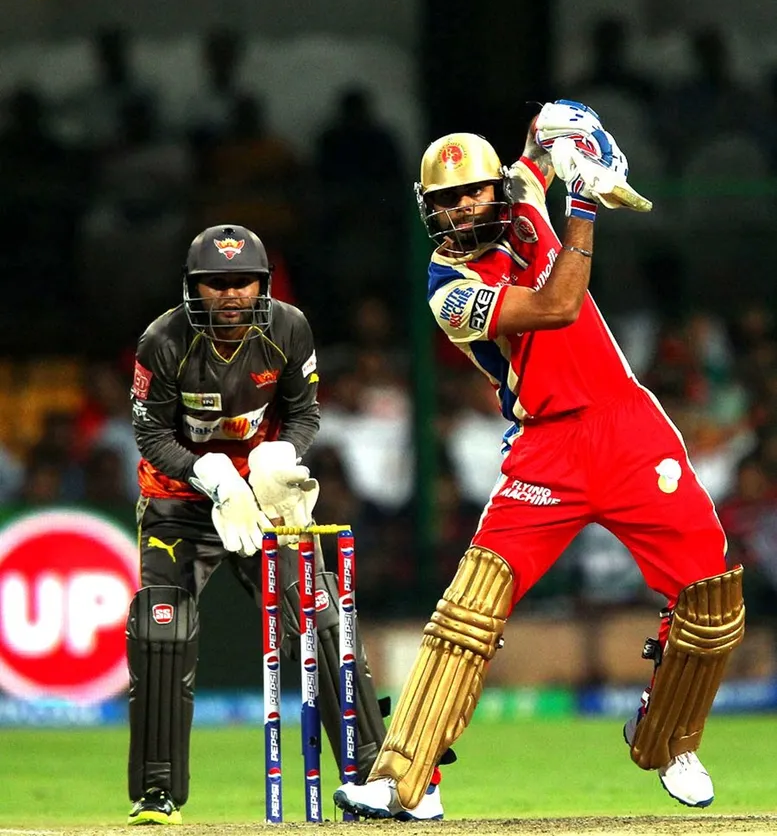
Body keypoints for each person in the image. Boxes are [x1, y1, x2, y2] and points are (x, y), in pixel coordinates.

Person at [334, 100, 745, 819]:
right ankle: (404, 780)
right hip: (547, 445)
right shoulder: (448, 290)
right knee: (470, 608)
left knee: (709, 597)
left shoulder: (522, 189)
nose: (461, 209)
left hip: (626, 426)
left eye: (472, 192)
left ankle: (666, 736)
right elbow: (558, 306)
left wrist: (566, 125)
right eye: (445, 201)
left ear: (496, 186)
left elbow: (539, 142)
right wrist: (583, 203)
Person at [125, 224, 392, 824]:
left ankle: (374, 771)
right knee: (162, 632)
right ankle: (157, 792)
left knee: (320, 619)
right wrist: (209, 475)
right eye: (215, 283)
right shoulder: (163, 341)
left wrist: (281, 458)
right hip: (180, 503)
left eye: (242, 282)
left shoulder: (288, 328)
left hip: (265, 501)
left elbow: (304, 413)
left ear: (263, 285)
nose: (230, 295)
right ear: (192, 287)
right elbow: (150, 433)